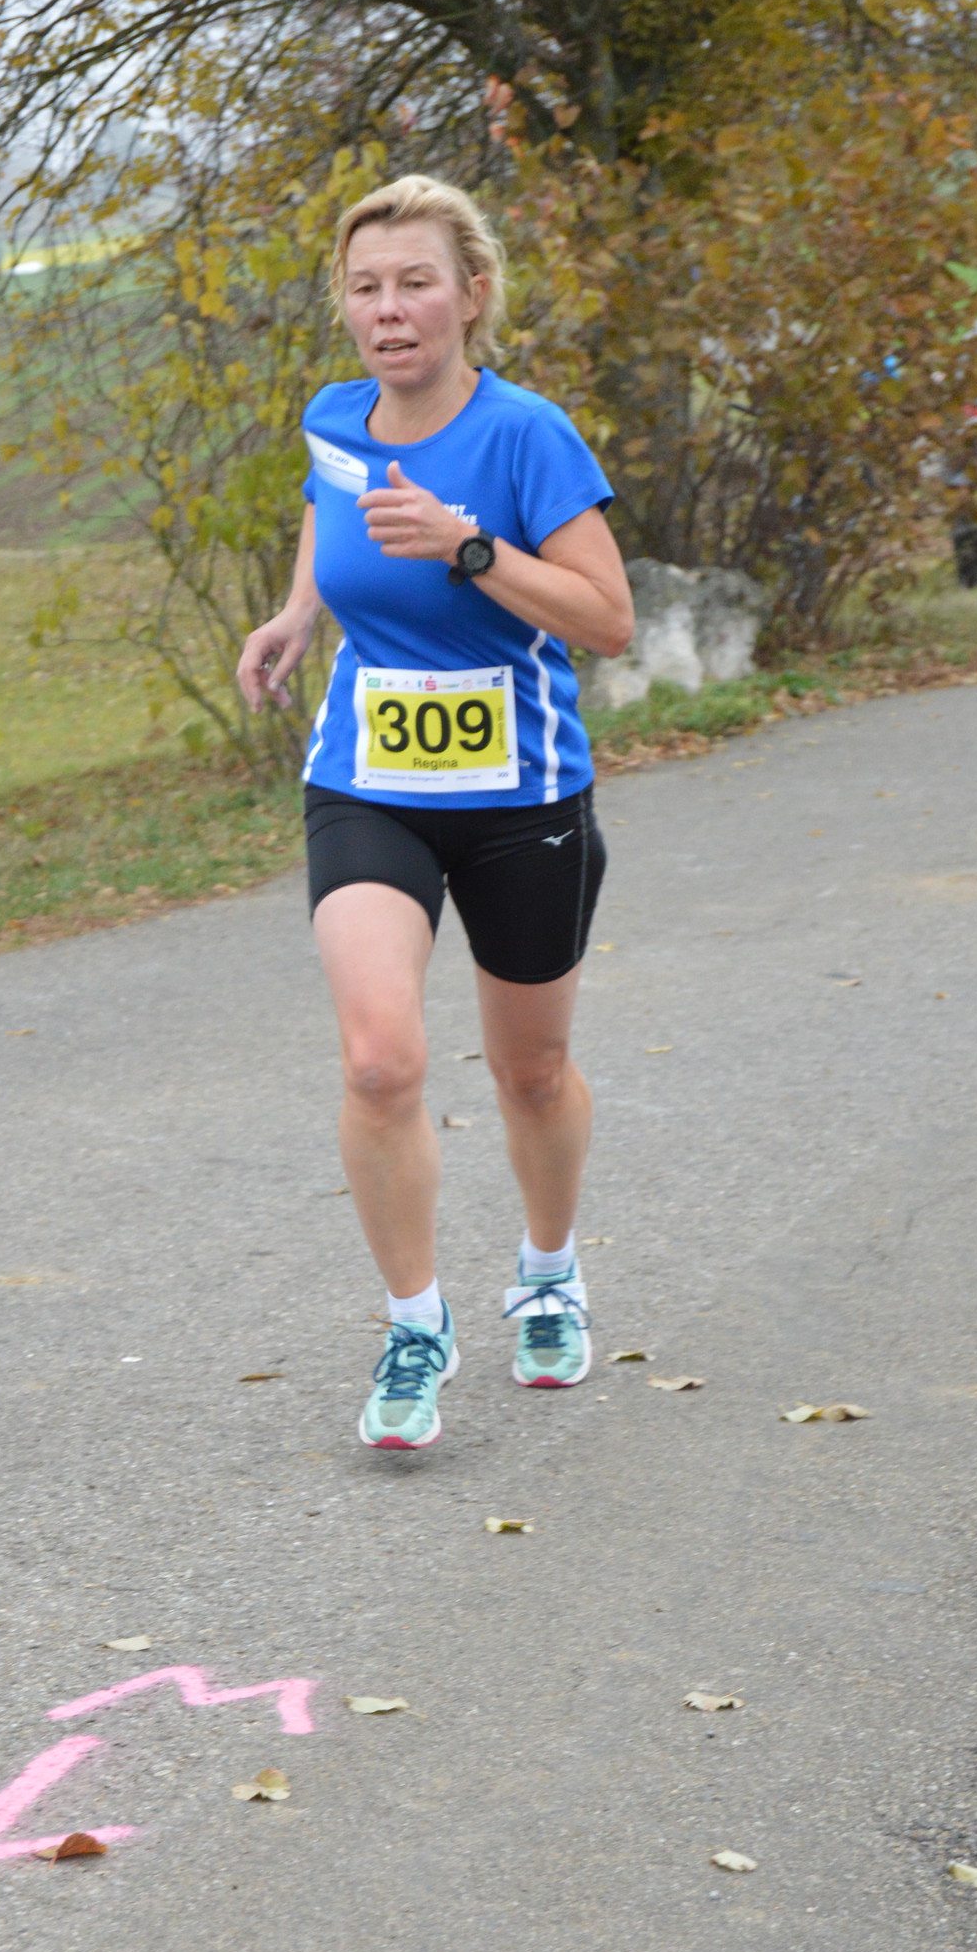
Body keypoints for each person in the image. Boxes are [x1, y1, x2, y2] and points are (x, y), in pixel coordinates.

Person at [236, 173, 633, 1451]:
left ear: (471, 296)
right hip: (369, 782)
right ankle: (415, 1325)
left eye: (414, 283)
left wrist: (470, 547)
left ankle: (548, 1270)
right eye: (365, 288)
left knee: (530, 1071)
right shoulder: (334, 418)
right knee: (378, 1060)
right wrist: (299, 610)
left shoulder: (526, 437)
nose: (388, 309)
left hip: (523, 794)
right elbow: (332, 509)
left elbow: (606, 622)